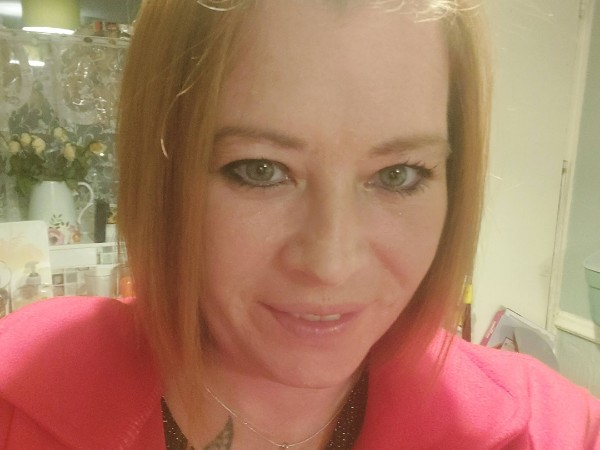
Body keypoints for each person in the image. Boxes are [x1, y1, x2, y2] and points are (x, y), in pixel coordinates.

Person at [1, 0, 599, 448]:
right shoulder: (19, 404)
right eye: (260, 170)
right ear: (162, 174)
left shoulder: (546, 432)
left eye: (397, 175)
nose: (331, 264)